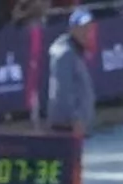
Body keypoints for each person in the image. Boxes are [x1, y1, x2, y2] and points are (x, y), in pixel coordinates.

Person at [47, 8, 96, 136]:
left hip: (76, 126)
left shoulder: (76, 51)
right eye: (82, 28)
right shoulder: (65, 54)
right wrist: (75, 119)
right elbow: (62, 90)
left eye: (88, 28)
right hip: (67, 127)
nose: (86, 32)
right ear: (72, 29)